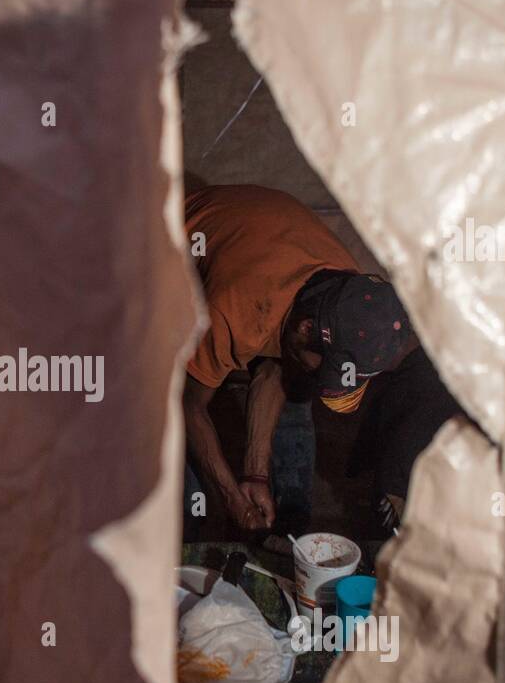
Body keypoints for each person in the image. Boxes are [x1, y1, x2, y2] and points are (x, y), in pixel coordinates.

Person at [181, 184, 423, 537]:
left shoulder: (350, 293)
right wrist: (231, 497)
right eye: (324, 365)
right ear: (305, 327)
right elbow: (189, 406)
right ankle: (190, 537)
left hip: (254, 250)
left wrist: (254, 475)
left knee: (297, 389)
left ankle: (287, 525)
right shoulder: (238, 310)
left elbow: (275, 370)